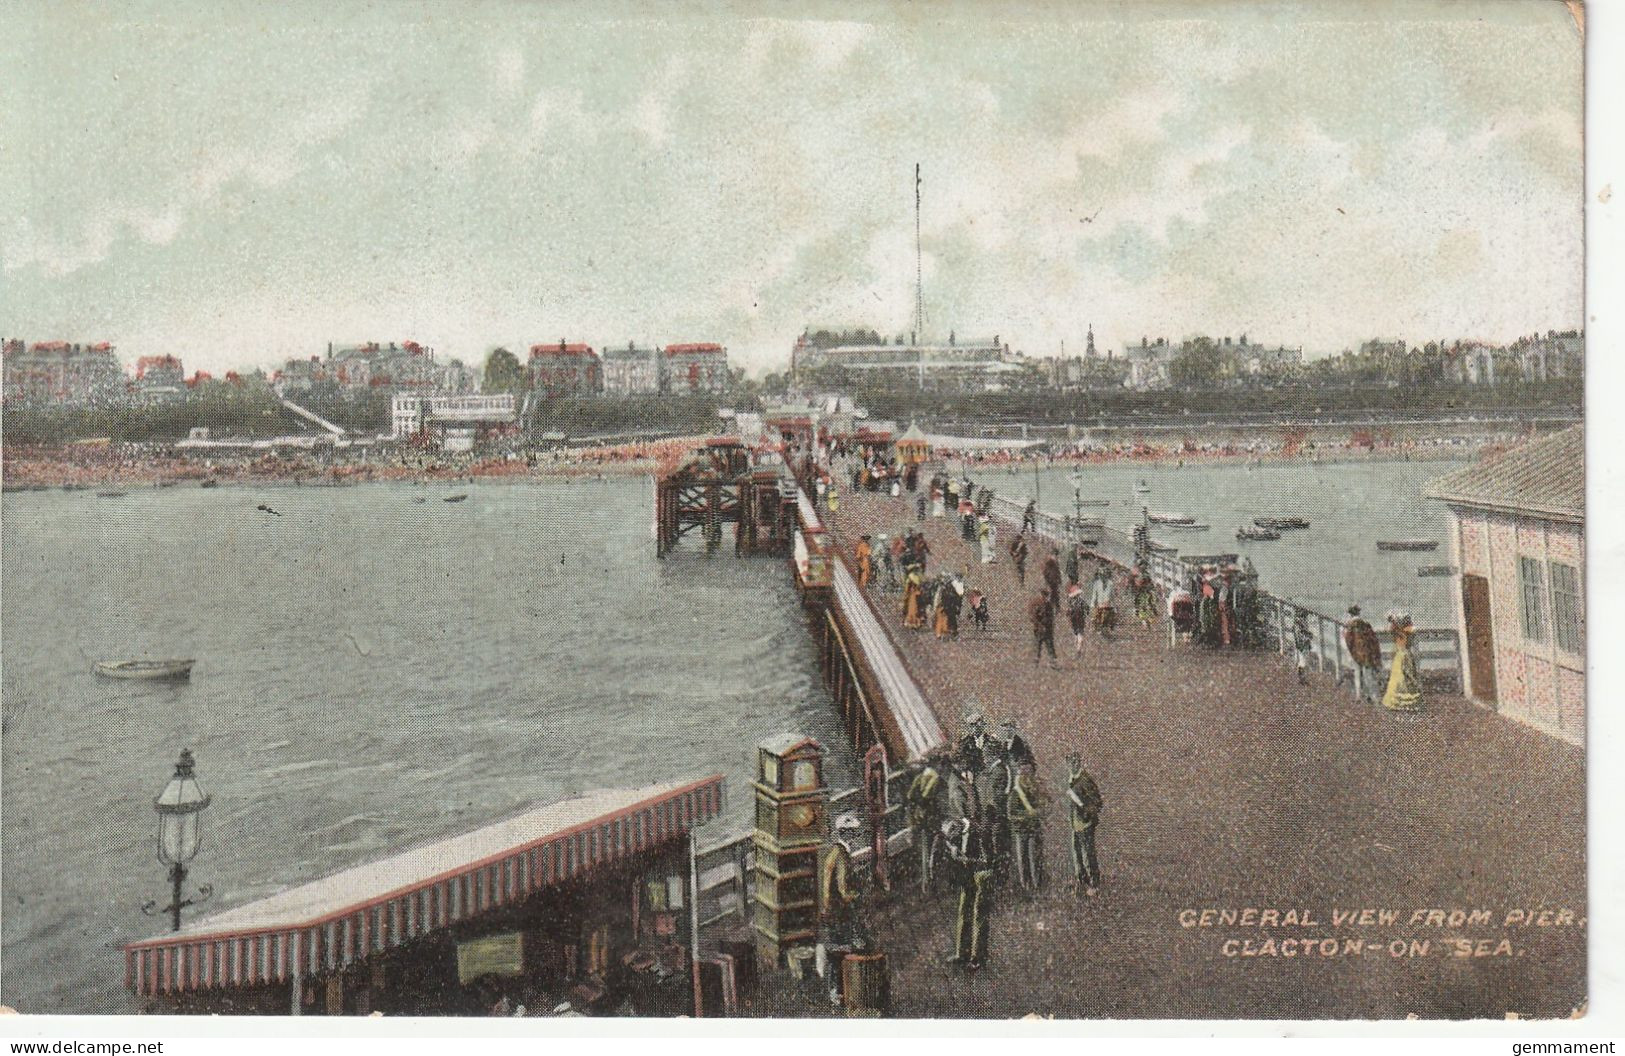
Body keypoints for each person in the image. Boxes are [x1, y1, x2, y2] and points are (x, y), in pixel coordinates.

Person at [818, 814, 870, 1005]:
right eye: (854, 833)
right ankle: (839, 992)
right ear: (848, 835)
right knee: (840, 951)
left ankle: (836, 990)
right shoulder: (842, 856)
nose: (856, 837)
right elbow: (843, 889)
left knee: (834, 952)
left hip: (830, 910)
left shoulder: (834, 852)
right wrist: (858, 896)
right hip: (839, 912)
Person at [945, 810, 997, 970]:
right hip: (969, 873)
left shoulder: (980, 832)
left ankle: (977, 957)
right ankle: (962, 953)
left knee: (979, 914)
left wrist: (966, 859)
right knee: (964, 910)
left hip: (982, 872)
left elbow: (988, 859)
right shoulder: (961, 830)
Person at [905, 754, 949, 892]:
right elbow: (928, 796)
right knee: (938, 849)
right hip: (933, 818)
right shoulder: (936, 778)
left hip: (921, 818)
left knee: (926, 850)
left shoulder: (920, 777)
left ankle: (927, 882)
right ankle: (935, 879)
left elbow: (910, 796)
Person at [1065, 754, 1104, 896]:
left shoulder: (1086, 780)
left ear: (1079, 763)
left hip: (1086, 824)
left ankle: (1094, 882)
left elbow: (1098, 802)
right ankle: (1082, 880)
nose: (1073, 766)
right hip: (1075, 824)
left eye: (1075, 763)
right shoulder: (1072, 779)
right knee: (1077, 854)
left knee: (1088, 853)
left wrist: (1087, 812)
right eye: (1070, 763)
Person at [1008, 763, 1043, 891]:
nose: (1026, 778)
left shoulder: (1034, 791)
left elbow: (1044, 806)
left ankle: (1037, 885)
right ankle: (1026, 886)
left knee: (1035, 858)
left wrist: (1039, 811)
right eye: (1023, 775)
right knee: (1023, 859)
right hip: (1021, 830)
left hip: (1034, 829)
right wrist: (1026, 815)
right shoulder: (1015, 794)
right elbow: (1011, 814)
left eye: (1028, 775)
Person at [1381, 610, 1424, 712]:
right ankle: (1406, 702)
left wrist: (1394, 621)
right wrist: (1394, 621)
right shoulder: (1403, 630)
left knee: (1403, 677)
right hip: (1404, 654)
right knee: (1403, 677)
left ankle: (1401, 702)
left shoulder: (1402, 630)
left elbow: (1407, 630)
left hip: (1402, 655)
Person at [1344, 605, 1384, 705]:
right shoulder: (1366, 624)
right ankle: (1372, 696)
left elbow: (1348, 640)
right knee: (1368, 675)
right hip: (1366, 652)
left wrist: (1351, 650)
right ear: (1358, 613)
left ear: (1350, 614)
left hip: (1355, 652)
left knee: (1357, 674)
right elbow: (1373, 639)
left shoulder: (1349, 626)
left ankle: (1358, 695)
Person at [1031, 587, 1059, 666]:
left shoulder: (1049, 604)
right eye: (1046, 595)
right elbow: (1033, 617)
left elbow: (1051, 616)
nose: (1047, 597)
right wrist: (1039, 626)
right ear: (1042, 595)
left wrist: (1051, 625)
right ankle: (1036, 661)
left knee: (1050, 645)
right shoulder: (1037, 603)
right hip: (1039, 629)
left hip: (1048, 628)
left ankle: (1053, 662)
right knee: (1038, 645)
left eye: (1047, 595)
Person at [1129, 562, 1158, 630]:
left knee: (1148, 607)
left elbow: (1151, 584)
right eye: (1142, 566)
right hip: (1140, 593)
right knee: (1141, 607)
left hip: (1146, 593)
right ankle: (1145, 622)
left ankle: (1147, 622)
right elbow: (1132, 583)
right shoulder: (1136, 574)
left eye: (1144, 566)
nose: (1143, 567)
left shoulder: (1147, 575)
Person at [1089, 565, 1116, 637]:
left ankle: (1106, 628)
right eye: (1101, 575)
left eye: (1104, 575)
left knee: (1109, 618)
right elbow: (1094, 595)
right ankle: (1097, 629)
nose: (1102, 577)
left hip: (1107, 605)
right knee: (1095, 618)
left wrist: (1114, 606)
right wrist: (1092, 604)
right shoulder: (1096, 583)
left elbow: (1112, 596)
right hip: (1099, 604)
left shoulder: (1110, 583)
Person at [1066, 582, 1089, 656]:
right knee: (1080, 633)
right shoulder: (1081, 601)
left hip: (1073, 619)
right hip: (1080, 619)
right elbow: (1087, 609)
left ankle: (1077, 647)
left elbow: (1068, 612)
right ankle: (1078, 648)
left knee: (1076, 633)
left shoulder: (1070, 602)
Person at [1292, 610, 1313, 684]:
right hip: (1303, 645)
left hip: (1301, 645)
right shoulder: (1300, 624)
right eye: (1305, 616)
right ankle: (1301, 679)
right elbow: (1302, 633)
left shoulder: (1296, 623)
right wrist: (1309, 635)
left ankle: (1302, 679)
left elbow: (1297, 634)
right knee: (1303, 663)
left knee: (1302, 662)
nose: (1306, 618)